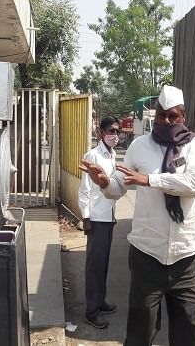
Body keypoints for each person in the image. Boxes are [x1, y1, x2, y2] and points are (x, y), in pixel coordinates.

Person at [80, 86, 195, 346]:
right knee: (140, 333)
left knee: (187, 333)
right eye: (161, 115)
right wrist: (104, 182)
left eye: (173, 116)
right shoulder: (140, 146)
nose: (166, 122)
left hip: (185, 257)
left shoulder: (193, 146)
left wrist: (149, 180)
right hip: (147, 256)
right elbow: (117, 188)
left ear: (183, 115)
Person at [78, 116, 120, 329]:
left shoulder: (111, 155)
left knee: (103, 264)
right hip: (96, 218)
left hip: (108, 217)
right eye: (111, 131)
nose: (115, 135)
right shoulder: (92, 156)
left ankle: (100, 301)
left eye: (117, 131)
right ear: (101, 132)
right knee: (94, 266)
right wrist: (85, 218)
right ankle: (92, 311)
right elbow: (84, 189)